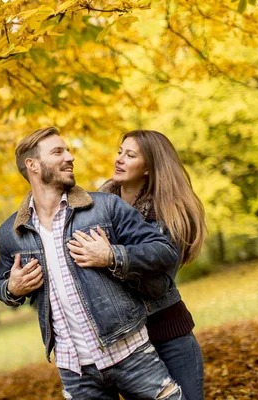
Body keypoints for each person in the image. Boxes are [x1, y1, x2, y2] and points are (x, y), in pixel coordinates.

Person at [0, 127, 183, 400]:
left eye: (68, 150)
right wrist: (11, 288)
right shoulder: (10, 233)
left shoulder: (106, 207)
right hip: (75, 372)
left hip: (131, 354)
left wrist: (112, 256)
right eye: (58, 152)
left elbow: (164, 252)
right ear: (32, 165)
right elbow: (0, 284)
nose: (70, 157)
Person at [68, 130, 206, 400]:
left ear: (149, 168)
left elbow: (158, 284)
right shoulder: (98, 208)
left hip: (169, 337)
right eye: (120, 151)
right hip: (126, 348)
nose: (119, 159)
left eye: (130, 155)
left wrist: (110, 257)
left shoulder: (170, 213)